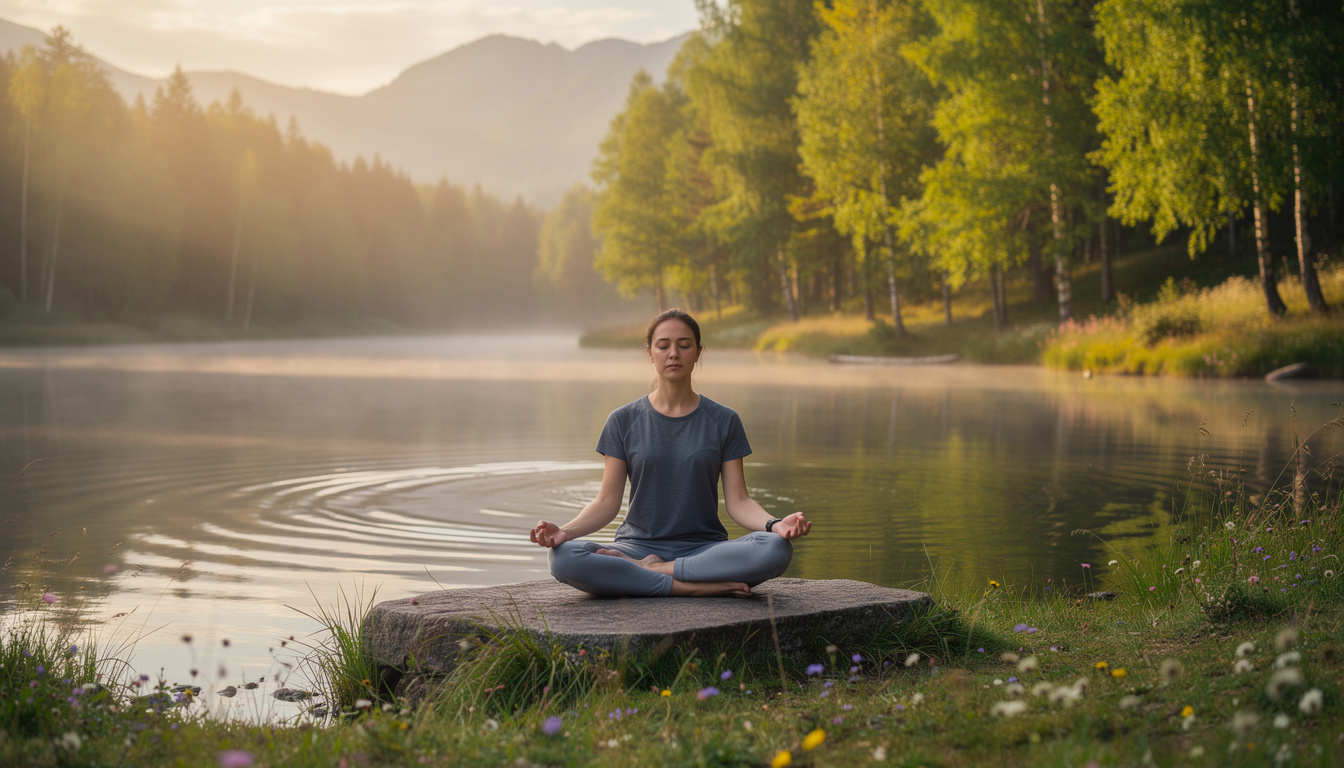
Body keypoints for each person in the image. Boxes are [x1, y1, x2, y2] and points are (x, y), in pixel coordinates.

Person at [529, 308, 811, 597]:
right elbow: (606, 502)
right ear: (650, 352)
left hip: (705, 548)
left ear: (698, 352)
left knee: (775, 548)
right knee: (563, 557)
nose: (673, 353)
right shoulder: (622, 420)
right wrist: (566, 532)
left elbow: (738, 500)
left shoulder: (724, 420)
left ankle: (653, 572)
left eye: (684, 345)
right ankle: (689, 587)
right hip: (636, 546)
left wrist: (774, 525)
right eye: (663, 345)